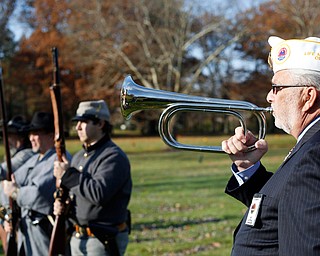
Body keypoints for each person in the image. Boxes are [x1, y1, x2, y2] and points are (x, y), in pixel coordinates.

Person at [221, 35, 320, 255]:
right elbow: (285, 206)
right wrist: (248, 169)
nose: (268, 97)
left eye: (276, 88)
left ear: (308, 97)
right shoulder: (311, 145)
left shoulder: (313, 155)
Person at [53, 100, 132, 256]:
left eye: (83, 122)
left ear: (100, 124)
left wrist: (67, 175)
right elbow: (76, 194)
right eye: (77, 122)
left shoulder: (113, 156)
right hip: (78, 236)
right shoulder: (78, 157)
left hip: (101, 239)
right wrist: (63, 205)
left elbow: (98, 193)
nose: (78, 127)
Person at [3, 111, 71, 255]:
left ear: (52, 135)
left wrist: (16, 192)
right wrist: (7, 217)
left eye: (36, 133)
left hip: (44, 231)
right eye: (30, 134)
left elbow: (37, 194)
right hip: (26, 231)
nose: (31, 138)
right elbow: (9, 184)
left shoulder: (57, 160)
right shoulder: (35, 159)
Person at [0, 115, 35, 254]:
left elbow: (3, 171)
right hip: (6, 214)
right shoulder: (13, 155)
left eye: (10, 135)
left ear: (21, 137)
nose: (6, 140)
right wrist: (4, 217)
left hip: (19, 216)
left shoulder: (26, 155)